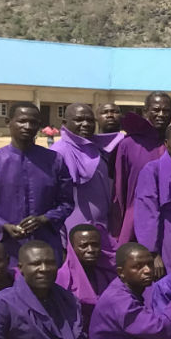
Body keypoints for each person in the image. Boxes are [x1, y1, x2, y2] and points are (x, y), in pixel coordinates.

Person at [0, 102, 75, 258]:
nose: (27, 126)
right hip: (8, 247)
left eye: (33, 122)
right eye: (22, 121)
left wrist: (45, 219)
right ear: (8, 122)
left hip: (46, 245)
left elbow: (66, 203)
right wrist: (3, 226)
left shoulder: (54, 161)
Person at [50, 103, 121, 243]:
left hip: (102, 226)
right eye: (79, 120)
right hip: (71, 228)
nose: (86, 124)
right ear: (65, 123)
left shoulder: (97, 148)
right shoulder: (58, 152)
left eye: (90, 120)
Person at [112, 91, 171, 241]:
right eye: (156, 110)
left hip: (170, 222)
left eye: (166, 111)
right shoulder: (128, 145)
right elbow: (119, 190)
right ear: (145, 111)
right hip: (135, 220)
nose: (161, 114)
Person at [133, 123, 171, 269]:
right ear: (166, 143)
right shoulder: (153, 170)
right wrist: (152, 253)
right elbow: (147, 213)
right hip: (164, 236)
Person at [54, 224, 115, 327]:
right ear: (72, 249)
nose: (90, 250)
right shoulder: (61, 279)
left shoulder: (108, 275)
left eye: (95, 245)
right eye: (84, 246)